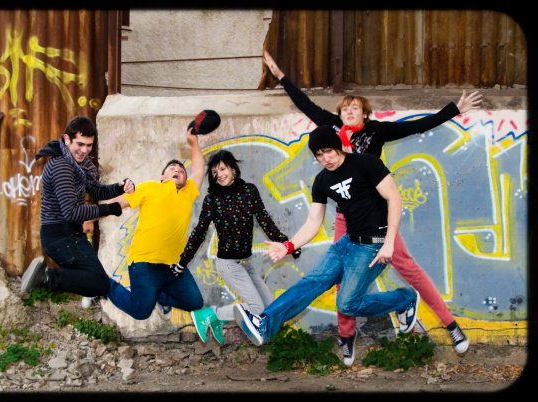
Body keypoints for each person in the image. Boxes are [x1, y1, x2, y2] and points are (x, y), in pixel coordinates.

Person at [262, 50, 480, 356]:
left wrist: (454, 109)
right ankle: (346, 336)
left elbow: (418, 125)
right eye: (345, 107)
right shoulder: (330, 129)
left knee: (409, 268)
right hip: (345, 218)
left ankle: (450, 325)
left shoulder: (377, 131)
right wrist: (281, 76)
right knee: (339, 277)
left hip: (377, 217)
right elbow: (304, 103)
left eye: (355, 107)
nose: (349, 110)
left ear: (365, 113)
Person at [234, 125, 421, 368]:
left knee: (347, 304)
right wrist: (288, 246)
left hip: (373, 246)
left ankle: (405, 298)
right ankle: (264, 324)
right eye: (319, 155)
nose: (326, 159)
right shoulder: (322, 181)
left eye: (329, 151)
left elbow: (394, 198)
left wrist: (389, 242)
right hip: (348, 243)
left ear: (338, 147)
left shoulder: (367, 163)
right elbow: (313, 221)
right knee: (312, 282)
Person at [178, 150, 300, 345]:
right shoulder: (212, 199)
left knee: (269, 309)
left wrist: (288, 245)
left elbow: (265, 221)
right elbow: (199, 232)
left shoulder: (249, 191)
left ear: (233, 169)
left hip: (246, 263)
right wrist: (182, 262)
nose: (219, 175)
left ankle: (218, 320)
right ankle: (211, 314)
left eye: (223, 169)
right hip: (228, 264)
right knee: (257, 310)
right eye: (215, 172)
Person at [20, 116, 135, 298]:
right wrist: (111, 208)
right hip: (60, 237)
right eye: (80, 144)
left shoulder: (80, 165)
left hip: (69, 235)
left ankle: (47, 276)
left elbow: (96, 190)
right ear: (67, 139)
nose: (84, 150)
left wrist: (120, 187)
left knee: (97, 283)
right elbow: (72, 212)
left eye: (89, 145)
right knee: (99, 283)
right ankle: (46, 277)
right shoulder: (62, 167)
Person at [103, 127, 208, 321]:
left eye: (181, 170)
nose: (177, 170)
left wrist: (194, 144)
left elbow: (199, 170)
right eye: (172, 168)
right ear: (162, 177)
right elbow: (119, 203)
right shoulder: (150, 188)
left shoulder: (188, 193)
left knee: (195, 302)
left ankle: (160, 297)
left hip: (173, 267)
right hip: (145, 264)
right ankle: (102, 284)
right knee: (141, 312)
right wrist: (89, 216)